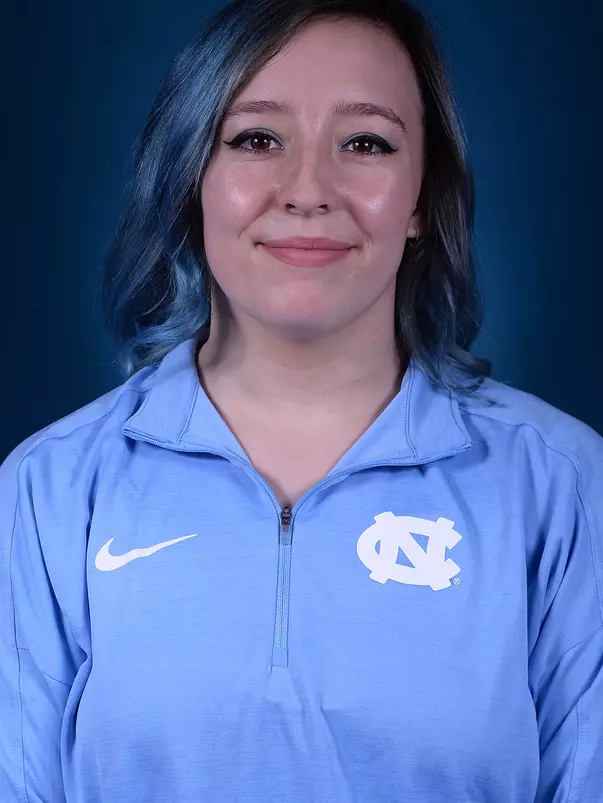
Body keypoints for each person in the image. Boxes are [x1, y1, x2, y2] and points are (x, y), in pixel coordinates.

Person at [1, 0, 602, 800]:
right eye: (256, 139)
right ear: (191, 181)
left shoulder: (565, 486)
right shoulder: (47, 490)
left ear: (422, 197)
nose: (308, 190)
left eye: (365, 142)